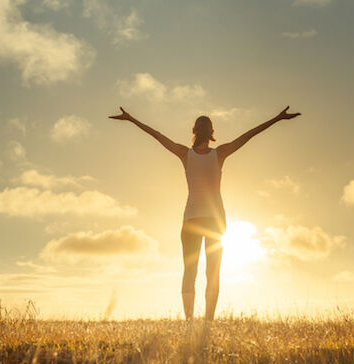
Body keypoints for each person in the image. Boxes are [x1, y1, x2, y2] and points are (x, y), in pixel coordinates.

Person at [108, 106, 301, 320]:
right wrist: (276, 118)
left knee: (190, 271)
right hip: (215, 221)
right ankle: (208, 321)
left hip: (191, 220)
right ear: (211, 133)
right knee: (212, 272)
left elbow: (157, 135)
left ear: (194, 131)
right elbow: (249, 135)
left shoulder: (185, 154)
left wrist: (132, 118)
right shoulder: (219, 154)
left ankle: (190, 321)